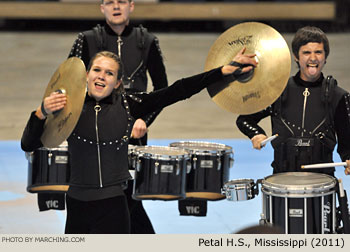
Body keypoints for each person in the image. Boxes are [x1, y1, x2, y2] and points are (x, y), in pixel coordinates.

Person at [21, 49, 258, 234]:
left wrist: (221, 71)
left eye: (109, 73)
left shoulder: (129, 104)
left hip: (113, 206)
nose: (102, 76)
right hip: (76, 204)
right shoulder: (66, 106)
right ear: (86, 75)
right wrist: (40, 113)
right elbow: (28, 145)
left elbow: (178, 90)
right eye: (97, 70)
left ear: (117, 81)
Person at [236, 26, 350, 233]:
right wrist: (256, 134)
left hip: (322, 184)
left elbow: (347, 141)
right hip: (281, 180)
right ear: (296, 57)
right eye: (306, 52)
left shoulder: (338, 96)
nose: (313, 58)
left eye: (318, 52)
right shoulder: (276, 91)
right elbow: (244, 119)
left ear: (325, 57)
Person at [67, 0, 168, 233]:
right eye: (109, 2)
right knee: (106, 193)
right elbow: (69, 79)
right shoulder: (87, 39)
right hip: (93, 125)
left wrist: (145, 119)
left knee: (130, 192)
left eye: (121, 1)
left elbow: (161, 88)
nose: (116, 6)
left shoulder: (148, 41)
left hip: (135, 127)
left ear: (131, 6)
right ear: (101, 7)